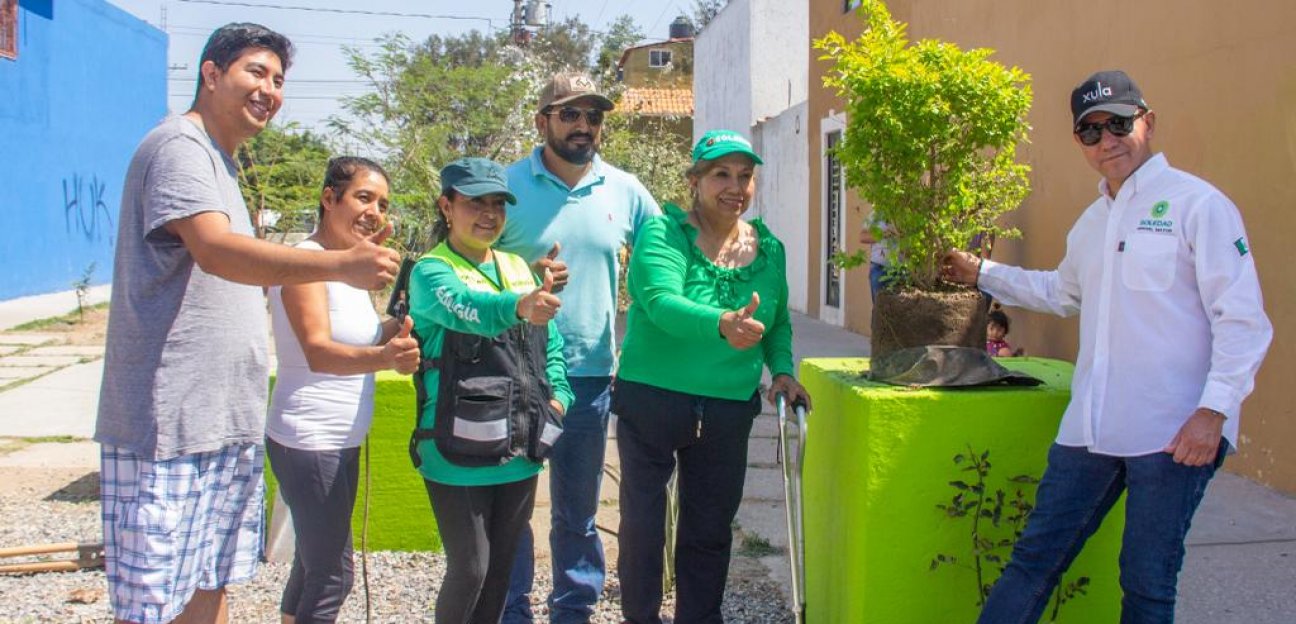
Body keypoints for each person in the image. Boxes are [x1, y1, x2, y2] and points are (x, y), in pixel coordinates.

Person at [95, 23, 400, 624]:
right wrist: (339, 264)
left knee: (212, 581)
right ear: (211, 73)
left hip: (222, 418)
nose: (269, 90)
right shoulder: (179, 147)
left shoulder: (222, 164)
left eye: (279, 80)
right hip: (170, 422)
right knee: (156, 598)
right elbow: (215, 250)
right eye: (255, 73)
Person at [943, 70, 1272, 623]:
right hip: (1091, 430)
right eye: (1090, 131)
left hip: (1174, 436)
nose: (1107, 140)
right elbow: (1062, 292)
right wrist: (982, 273)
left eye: (1119, 123)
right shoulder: (1091, 222)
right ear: (1079, 142)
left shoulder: (1199, 205)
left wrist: (1212, 413)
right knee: (1032, 562)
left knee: (1146, 584)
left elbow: (1243, 320)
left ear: (1148, 121)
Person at [611, 130, 813, 624]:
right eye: (721, 174)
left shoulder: (770, 247)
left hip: (727, 405)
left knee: (710, 527)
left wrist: (782, 369)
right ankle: (640, 616)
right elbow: (659, 302)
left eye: (745, 176)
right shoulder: (664, 233)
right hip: (653, 398)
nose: (735, 186)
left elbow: (778, 320)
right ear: (695, 180)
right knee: (645, 523)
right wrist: (721, 323)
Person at [496, 72, 661, 623]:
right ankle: (510, 610)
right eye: (569, 114)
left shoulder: (626, 189)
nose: (583, 126)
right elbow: (468, 263)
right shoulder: (505, 186)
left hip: (589, 378)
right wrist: (524, 281)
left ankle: (574, 611)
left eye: (593, 116)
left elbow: (665, 259)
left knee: (577, 513)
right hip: (511, 374)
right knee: (510, 509)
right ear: (542, 121)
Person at [407, 157, 574, 623]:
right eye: (474, 202)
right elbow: (470, 309)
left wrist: (559, 399)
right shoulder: (431, 271)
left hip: (520, 446)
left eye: (498, 203)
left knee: (501, 571)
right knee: (471, 568)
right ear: (446, 206)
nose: (488, 213)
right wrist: (521, 304)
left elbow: (550, 346)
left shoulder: (518, 266)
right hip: (456, 448)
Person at [266, 156, 421, 624]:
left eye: (383, 203)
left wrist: (413, 314)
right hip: (310, 438)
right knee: (334, 575)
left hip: (338, 439)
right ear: (329, 198)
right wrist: (386, 360)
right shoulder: (308, 263)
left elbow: (367, 336)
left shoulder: (349, 266)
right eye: (364, 197)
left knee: (312, 566)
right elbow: (319, 351)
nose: (375, 211)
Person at [858, 215, 898, 301]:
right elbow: (862, 236)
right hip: (880, 269)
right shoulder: (877, 213)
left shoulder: (908, 210)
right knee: (879, 309)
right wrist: (883, 234)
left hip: (902, 270)